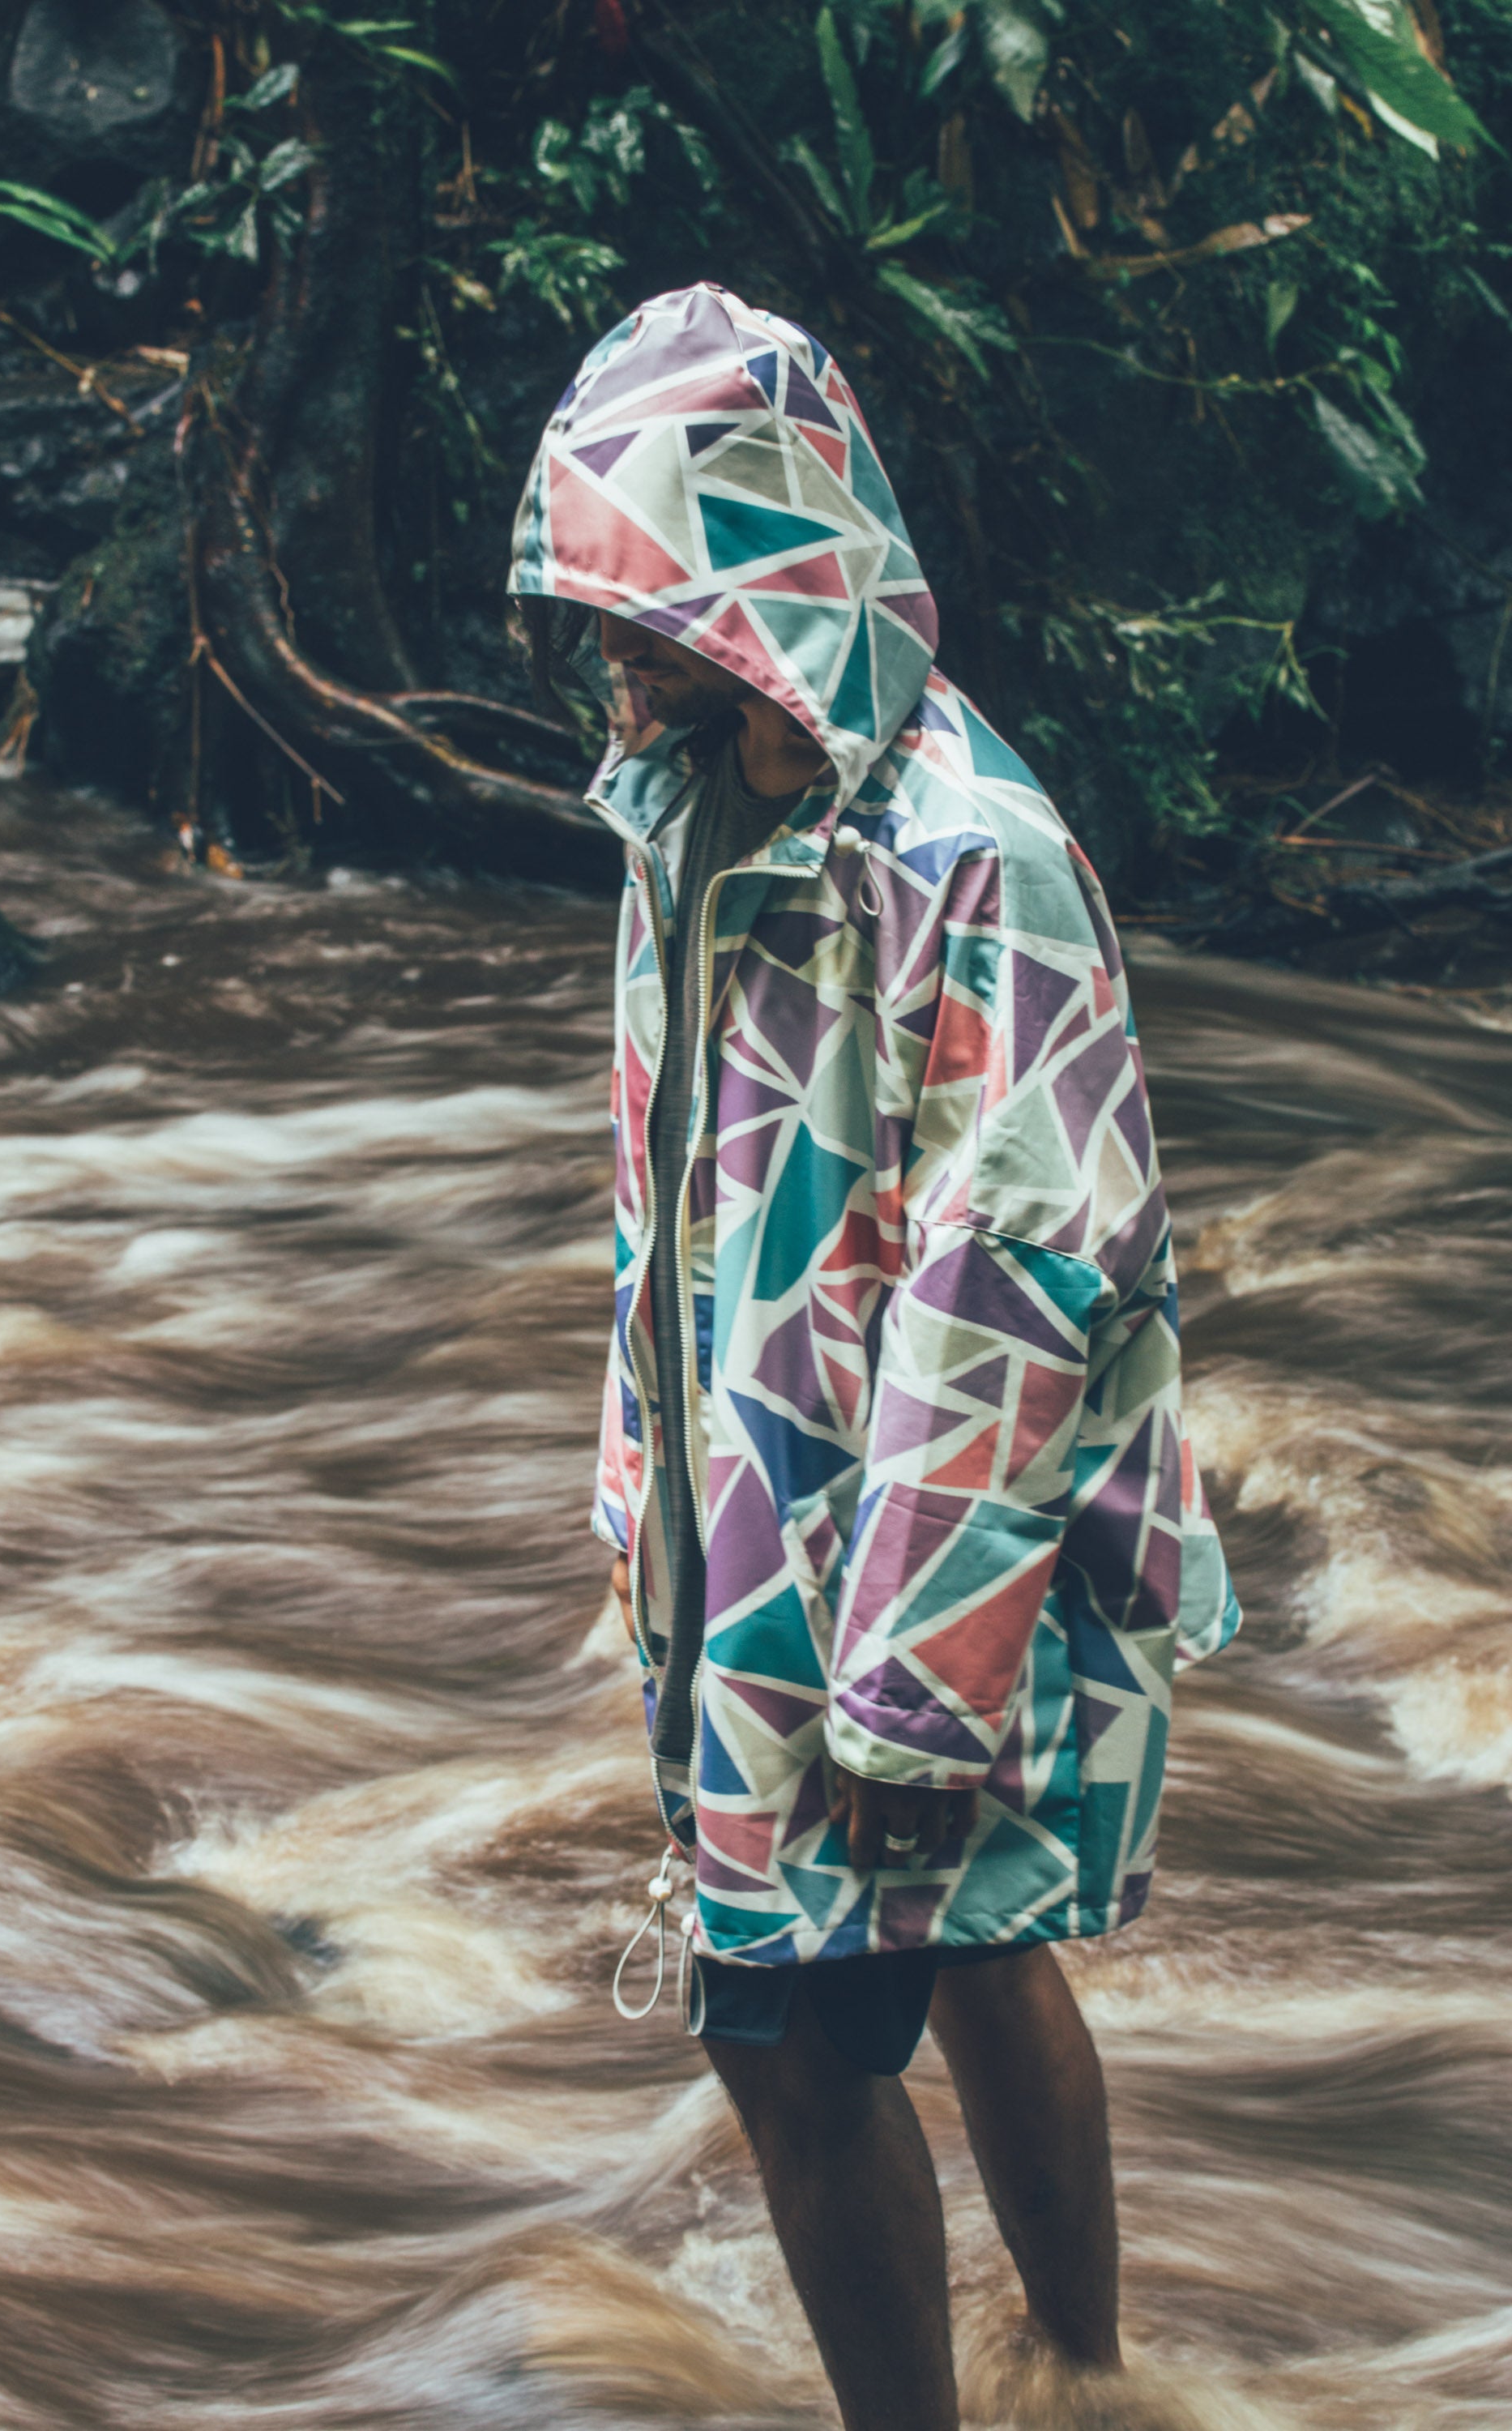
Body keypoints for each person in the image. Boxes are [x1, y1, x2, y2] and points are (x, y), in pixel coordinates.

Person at [509, 283, 1240, 2431]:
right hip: (769, 1513)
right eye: (596, 591)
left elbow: (1025, 1273)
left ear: (769, 573)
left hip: (921, 1559)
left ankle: (1038, 2385)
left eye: (648, 590)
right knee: (983, 1938)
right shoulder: (687, 813)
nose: (610, 639)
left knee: (782, 2030)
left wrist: (911, 1682)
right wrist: (641, 1484)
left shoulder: (968, 856)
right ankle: (1090, 2383)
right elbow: (664, 1191)